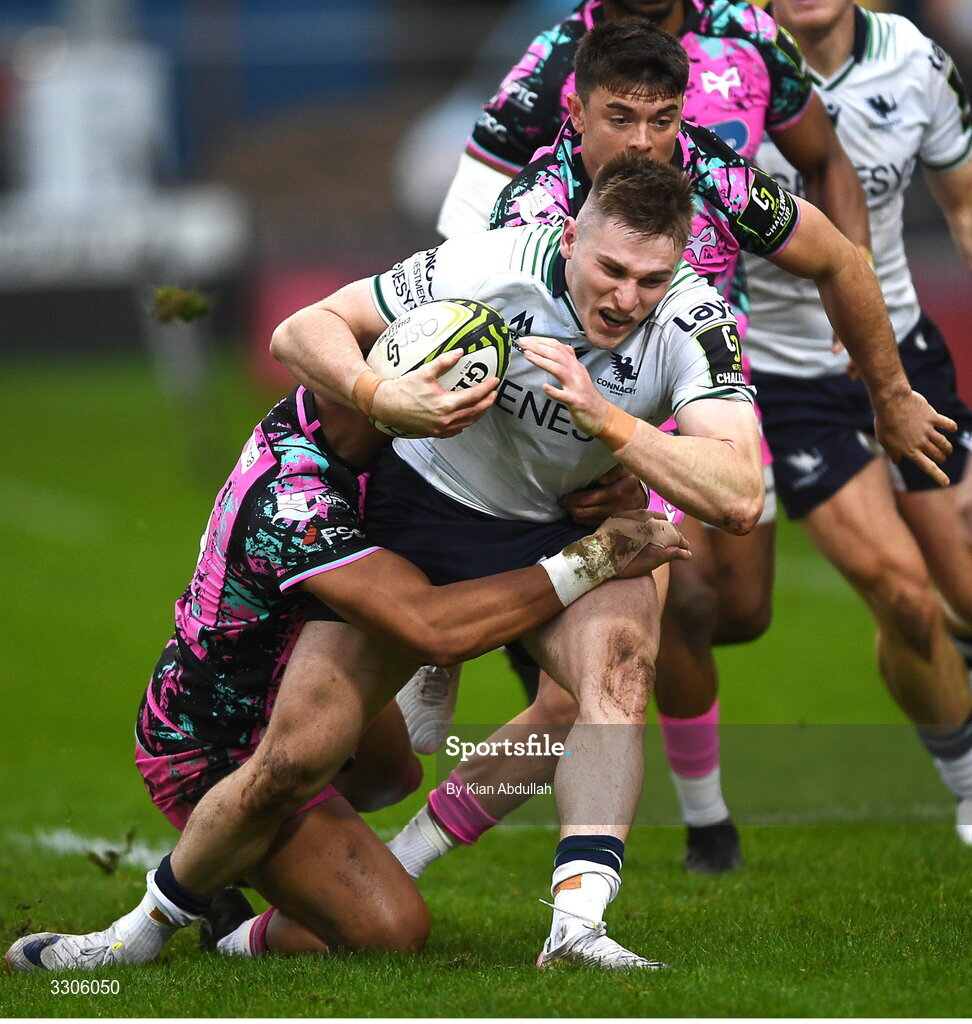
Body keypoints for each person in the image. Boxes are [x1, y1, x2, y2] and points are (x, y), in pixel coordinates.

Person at [271, 152, 921, 969]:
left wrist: (612, 425)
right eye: (611, 269)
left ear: (680, 261)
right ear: (570, 235)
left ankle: (577, 925)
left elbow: (739, 494)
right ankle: (174, 909)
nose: (625, 297)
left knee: (614, 672)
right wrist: (380, 394)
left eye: (651, 279)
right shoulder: (494, 261)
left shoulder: (696, 319)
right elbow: (301, 329)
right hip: (419, 510)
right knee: (323, 756)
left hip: (555, 526)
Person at [391, 13, 951, 882]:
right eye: (623, 119)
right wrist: (595, 449)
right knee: (604, 677)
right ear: (575, 114)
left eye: (662, 120)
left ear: (684, 114)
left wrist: (891, 395)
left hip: (684, 413)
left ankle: (449, 733)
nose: (645, 143)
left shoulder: (717, 167)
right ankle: (461, 800)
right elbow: (484, 349)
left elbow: (839, 257)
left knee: (732, 615)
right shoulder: (537, 214)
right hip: (561, 441)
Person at [5, 382, 689, 973]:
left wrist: (619, 488)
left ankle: (280, 855)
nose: (455, 404)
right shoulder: (292, 497)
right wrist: (594, 557)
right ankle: (162, 932)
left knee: (394, 772)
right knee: (389, 924)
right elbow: (431, 626)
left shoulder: (379, 438)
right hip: (213, 738)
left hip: (308, 674)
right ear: (366, 389)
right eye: (433, 387)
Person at [742, 0, 972, 845]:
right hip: (788, 379)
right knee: (903, 599)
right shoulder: (723, 71)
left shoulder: (914, 61)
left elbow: (965, 205)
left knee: (964, 594)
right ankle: (968, 783)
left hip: (905, 350)